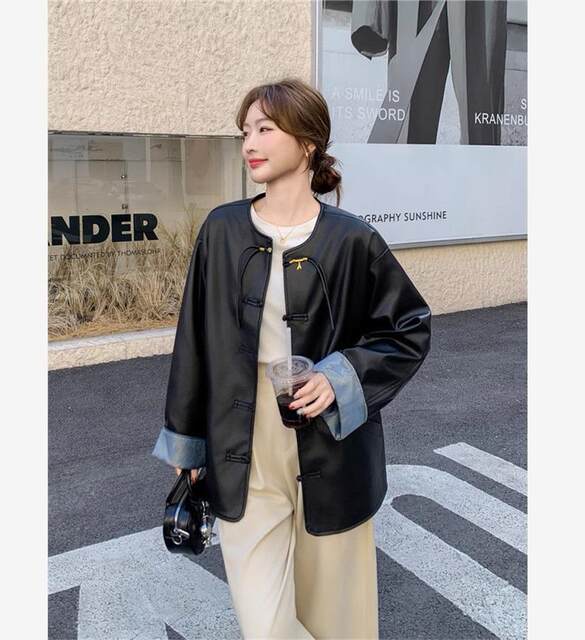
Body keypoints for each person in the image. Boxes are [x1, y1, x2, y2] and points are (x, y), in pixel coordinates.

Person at [152, 77, 432, 639]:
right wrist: (187, 440)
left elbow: (408, 329)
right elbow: (194, 341)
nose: (249, 143)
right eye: (245, 132)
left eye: (264, 129)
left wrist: (340, 377)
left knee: (338, 620)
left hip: (332, 437)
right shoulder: (222, 230)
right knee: (265, 622)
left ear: (307, 143)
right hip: (239, 436)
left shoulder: (352, 240)